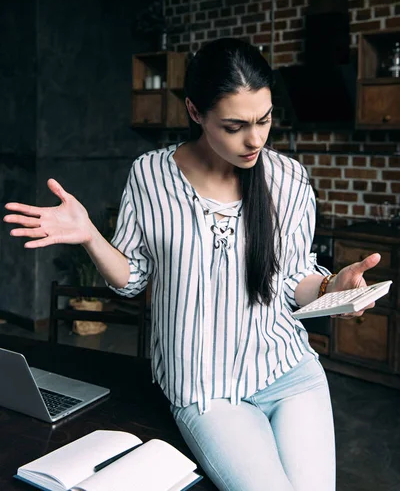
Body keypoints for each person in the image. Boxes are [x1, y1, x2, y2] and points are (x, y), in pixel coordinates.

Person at [4, 38, 380, 491]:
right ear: (196, 112)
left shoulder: (288, 179)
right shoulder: (150, 175)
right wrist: (90, 235)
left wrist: (331, 289)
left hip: (290, 373)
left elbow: (289, 281)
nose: (254, 138)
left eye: (264, 120)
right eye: (235, 125)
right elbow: (133, 280)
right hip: (204, 391)